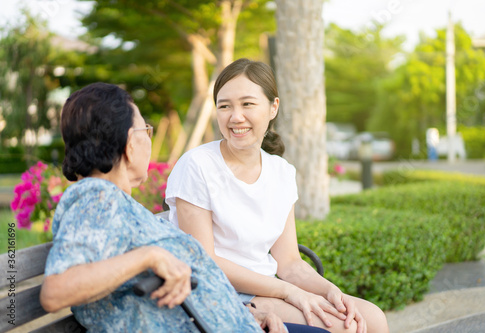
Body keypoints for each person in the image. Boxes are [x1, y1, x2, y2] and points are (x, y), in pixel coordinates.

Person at [40, 82, 328, 333]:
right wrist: (148, 256)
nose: (149, 138)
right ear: (129, 145)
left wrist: (248, 313)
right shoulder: (95, 197)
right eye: (146, 130)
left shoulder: (117, 203)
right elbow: (55, 291)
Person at [165, 58, 390, 333]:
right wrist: (286, 292)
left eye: (247, 104)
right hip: (219, 294)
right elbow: (204, 260)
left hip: (270, 290)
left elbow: (290, 262)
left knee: (373, 318)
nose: (235, 116)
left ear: (273, 107)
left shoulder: (281, 172)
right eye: (225, 106)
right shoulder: (197, 166)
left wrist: (330, 290)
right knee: (344, 328)